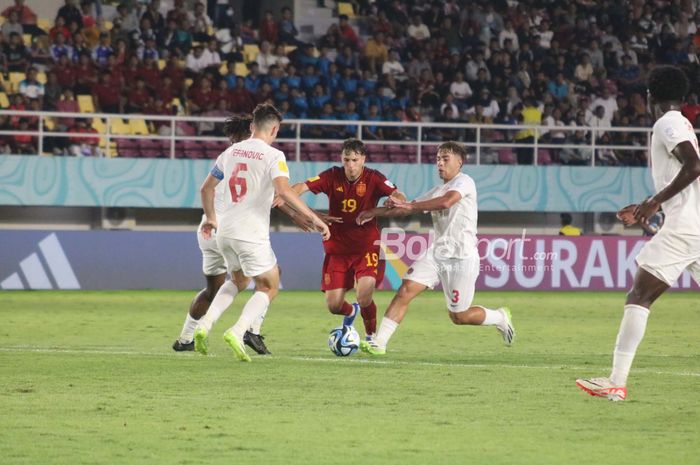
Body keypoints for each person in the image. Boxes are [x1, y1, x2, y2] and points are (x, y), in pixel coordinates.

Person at [576, 66, 700, 401]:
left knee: (639, 297)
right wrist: (651, 205)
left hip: (686, 230)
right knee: (640, 295)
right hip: (693, 226)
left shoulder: (668, 122)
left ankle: (616, 382)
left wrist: (654, 201)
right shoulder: (682, 123)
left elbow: (694, 166)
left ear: (649, 96)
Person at [173, 115, 321, 355]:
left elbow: (207, 188)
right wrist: (302, 216)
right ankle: (249, 329)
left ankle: (186, 337)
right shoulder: (258, 156)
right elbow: (274, 193)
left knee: (216, 288)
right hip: (239, 230)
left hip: (210, 231)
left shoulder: (228, 156)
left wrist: (211, 218)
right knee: (268, 281)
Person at [356, 142, 515, 356]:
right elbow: (405, 209)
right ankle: (379, 343)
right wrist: (372, 212)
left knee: (459, 316)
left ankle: (500, 317)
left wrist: (411, 206)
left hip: (462, 257)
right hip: (437, 253)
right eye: (438, 159)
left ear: (459, 162)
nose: (440, 163)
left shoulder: (464, 182)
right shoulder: (436, 191)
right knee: (404, 291)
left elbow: (446, 203)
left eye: (445, 158)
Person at [284, 138, 403, 340]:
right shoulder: (331, 176)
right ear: (341, 158)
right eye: (346, 160)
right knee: (334, 305)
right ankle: (350, 312)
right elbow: (296, 189)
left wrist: (390, 202)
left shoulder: (374, 178)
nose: (350, 165)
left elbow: (399, 196)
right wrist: (311, 213)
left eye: (355, 160)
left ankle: (371, 336)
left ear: (363, 159)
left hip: (366, 247)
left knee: (364, 295)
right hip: (337, 250)